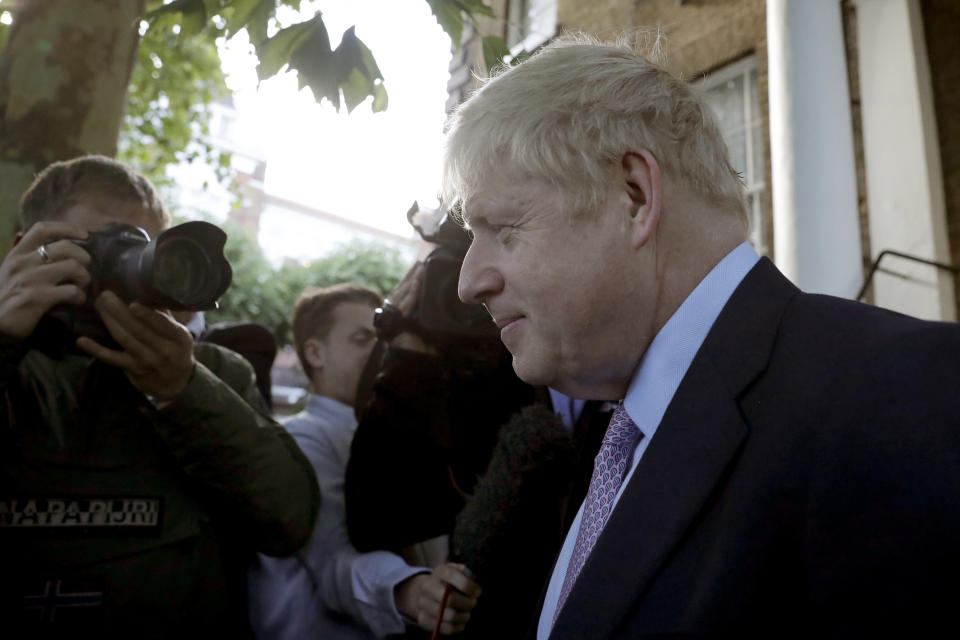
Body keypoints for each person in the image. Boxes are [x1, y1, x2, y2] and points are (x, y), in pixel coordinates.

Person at [444, 35, 960, 638]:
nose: (468, 282)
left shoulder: (902, 394)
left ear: (633, 195)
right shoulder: (616, 435)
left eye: (503, 227)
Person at [0, 155, 319, 636]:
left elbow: (288, 522)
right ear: (25, 250)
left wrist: (183, 391)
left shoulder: (212, 374)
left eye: (137, 252)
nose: (118, 271)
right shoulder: (16, 368)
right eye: (96, 250)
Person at [248, 283, 480, 639]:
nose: (381, 349)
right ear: (314, 353)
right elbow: (334, 560)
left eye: (383, 336)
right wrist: (411, 592)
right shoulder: (301, 440)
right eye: (362, 338)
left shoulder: (403, 430)